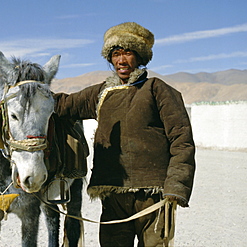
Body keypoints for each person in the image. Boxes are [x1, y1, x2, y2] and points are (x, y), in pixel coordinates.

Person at [54, 22, 195, 246]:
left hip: (153, 194)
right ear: (110, 58)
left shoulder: (157, 89)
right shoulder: (101, 93)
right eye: (116, 54)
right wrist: (29, 90)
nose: (121, 60)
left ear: (140, 57)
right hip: (113, 192)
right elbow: (63, 106)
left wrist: (176, 186)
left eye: (128, 53)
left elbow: (182, 141)